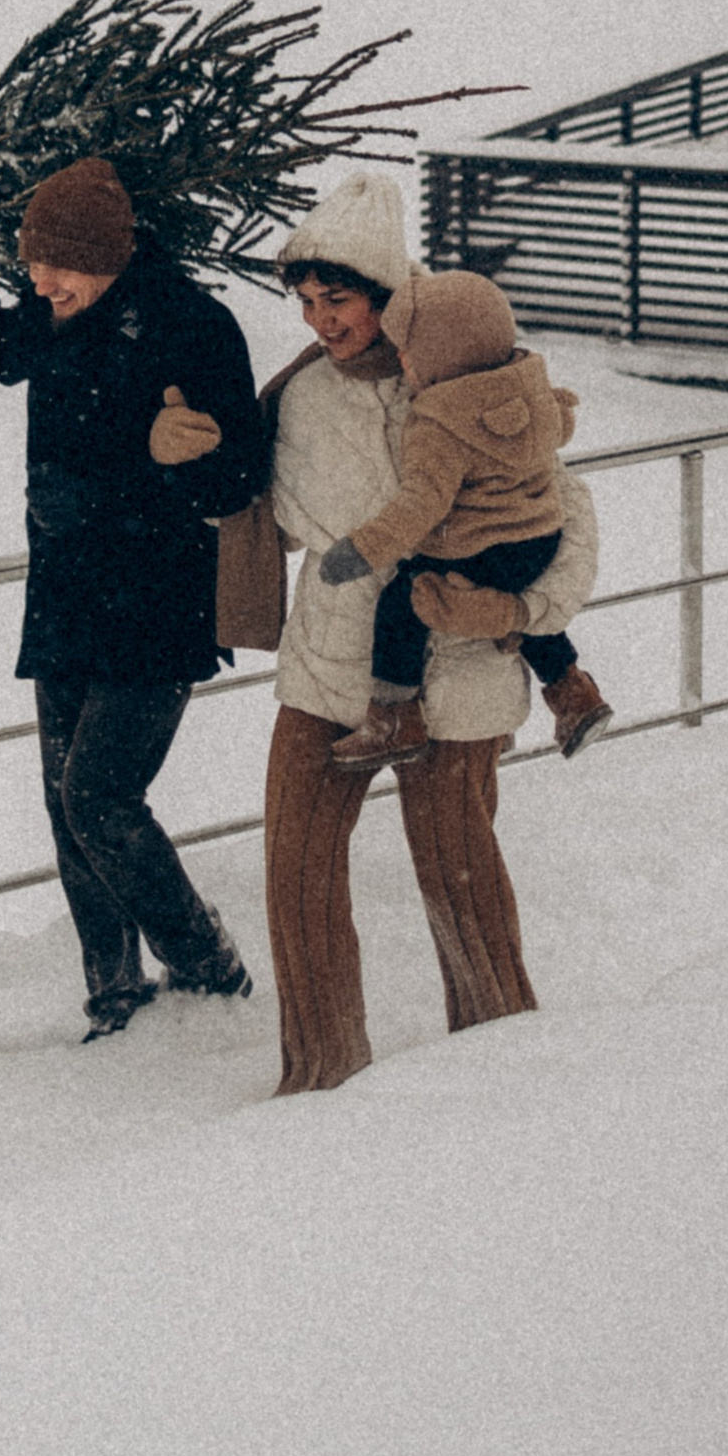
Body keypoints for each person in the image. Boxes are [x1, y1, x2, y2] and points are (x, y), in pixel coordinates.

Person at [0, 156, 269, 1040]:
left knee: (98, 794)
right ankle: (114, 994)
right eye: (30, 263)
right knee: (66, 802)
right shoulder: (56, 315)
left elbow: (245, 470)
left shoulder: (193, 326)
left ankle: (208, 961)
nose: (38, 281)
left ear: (111, 255)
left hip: (157, 602)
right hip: (65, 594)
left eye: (56, 264)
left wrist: (185, 455)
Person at [261, 170, 601, 1095]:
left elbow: (565, 519)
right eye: (308, 301)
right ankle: (321, 1080)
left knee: (461, 880)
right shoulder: (298, 402)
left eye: (339, 299)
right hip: (329, 668)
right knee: (296, 874)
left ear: (386, 295)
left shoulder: (462, 378)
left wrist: (519, 615)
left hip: (460, 673)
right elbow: (272, 515)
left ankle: (501, 1072)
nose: (321, 320)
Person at [314, 263, 614, 777]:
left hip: (475, 547)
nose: (403, 363)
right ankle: (572, 692)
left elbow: (420, 507)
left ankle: (394, 718)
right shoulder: (530, 389)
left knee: (403, 604)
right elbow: (561, 424)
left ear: (440, 358)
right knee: (515, 607)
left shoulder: (437, 423)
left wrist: (364, 548)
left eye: (409, 353)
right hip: (538, 542)